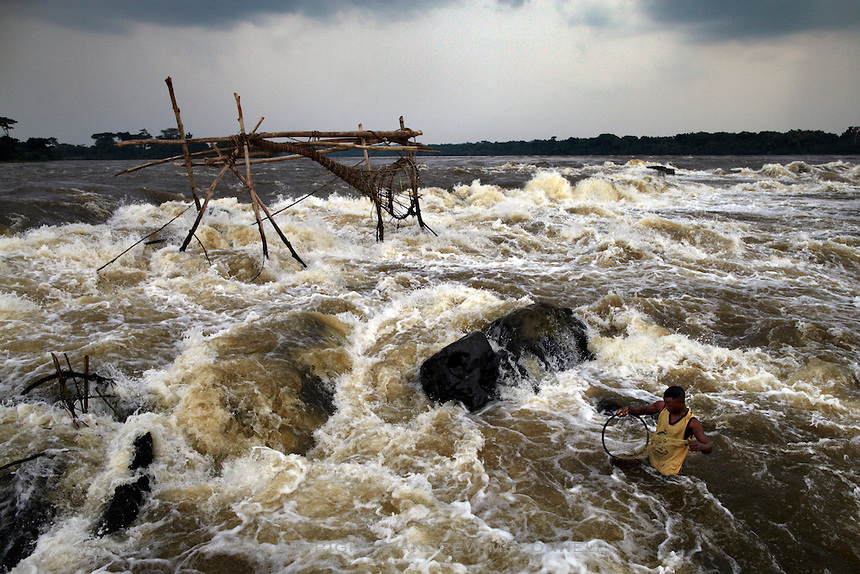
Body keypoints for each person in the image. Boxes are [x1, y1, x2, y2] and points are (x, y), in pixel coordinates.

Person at [616, 385, 712, 475]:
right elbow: (642, 410)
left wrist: (701, 447)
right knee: (618, 462)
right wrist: (628, 409)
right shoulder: (662, 407)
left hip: (669, 471)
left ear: (681, 402)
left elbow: (708, 446)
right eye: (665, 403)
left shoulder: (692, 423)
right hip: (652, 459)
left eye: (670, 405)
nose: (667, 406)